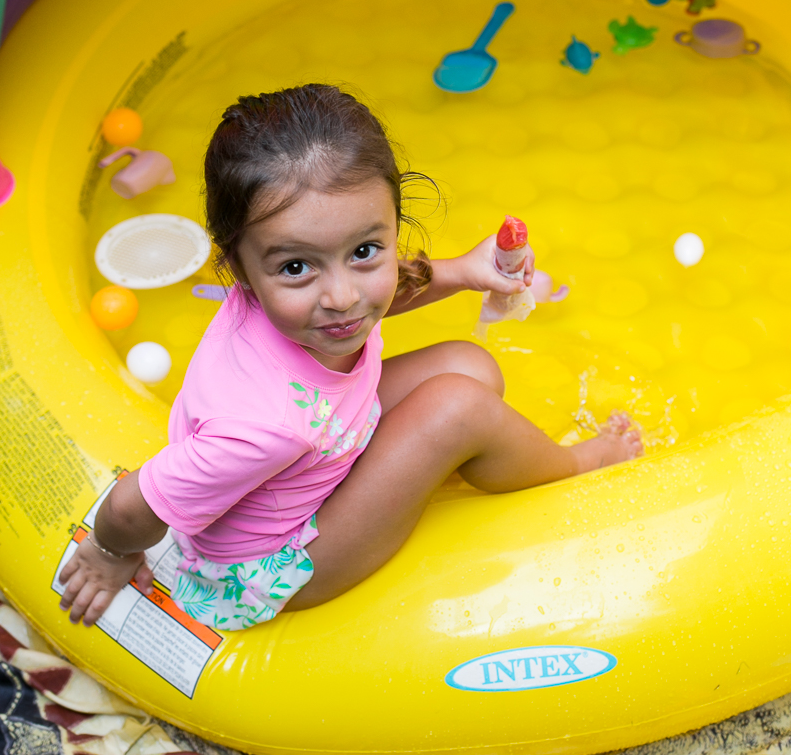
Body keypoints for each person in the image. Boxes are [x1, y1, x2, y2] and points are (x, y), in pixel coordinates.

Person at [59, 84, 642, 630]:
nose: (342, 297)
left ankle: (439, 455)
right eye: (297, 267)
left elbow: (378, 295)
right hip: (278, 563)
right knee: (460, 407)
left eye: (364, 250)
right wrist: (109, 553)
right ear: (239, 267)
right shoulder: (256, 428)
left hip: (319, 442)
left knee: (471, 366)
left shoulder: (296, 301)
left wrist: (465, 271)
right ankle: (578, 465)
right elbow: (134, 505)